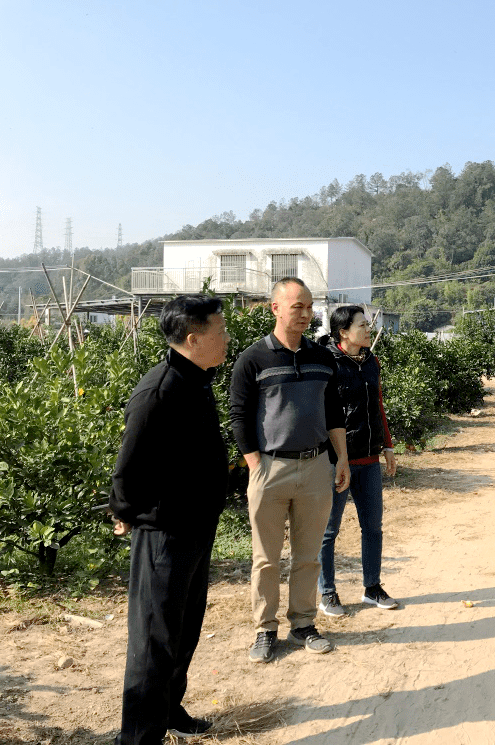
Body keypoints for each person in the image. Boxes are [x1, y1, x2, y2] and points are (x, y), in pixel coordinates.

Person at [109, 294, 231, 744]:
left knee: (183, 630)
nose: (226, 339)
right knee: (154, 642)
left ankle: (168, 711)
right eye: (220, 333)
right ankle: (138, 737)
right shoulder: (158, 390)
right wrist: (125, 512)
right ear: (193, 338)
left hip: (197, 527)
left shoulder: (198, 378)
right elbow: (129, 466)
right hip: (166, 533)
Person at [229, 277, 351, 663]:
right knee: (265, 557)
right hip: (270, 467)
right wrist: (255, 465)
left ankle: (303, 623)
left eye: (309, 306)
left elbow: (333, 411)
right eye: (297, 306)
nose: (305, 313)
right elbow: (239, 416)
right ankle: (265, 629)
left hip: (316, 465)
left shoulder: (322, 357)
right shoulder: (253, 359)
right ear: (275, 308)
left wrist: (341, 457)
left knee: (308, 553)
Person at [317, 305, 399, 617]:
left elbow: (377, 406)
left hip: (368, 458)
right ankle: (327, 592)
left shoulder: (371, 362)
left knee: (373, 527)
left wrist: (388, 447)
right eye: (363, 325)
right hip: (336, 460)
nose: (369, 330)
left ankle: (372, 588)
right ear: (343, 332)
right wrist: (335, 457)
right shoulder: (328, 362)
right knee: (329, 531)